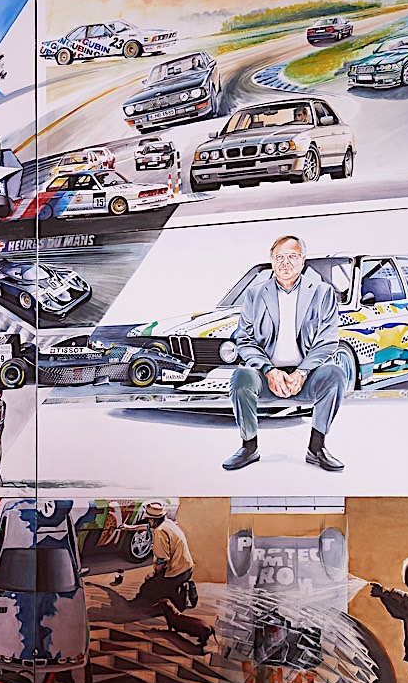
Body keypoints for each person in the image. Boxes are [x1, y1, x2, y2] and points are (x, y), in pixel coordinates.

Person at [222, 234, 348, 472]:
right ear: (271, 260)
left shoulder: (322, 293)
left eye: (292, 256)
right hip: (265, 376)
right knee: (241, 378)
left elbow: (328, 340)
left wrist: (302, 372)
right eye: (279, 257)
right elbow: (245, 339)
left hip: (307, 376)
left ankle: (316, 448)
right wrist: (269, 371)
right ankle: (249, 447)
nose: (285, 263)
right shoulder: (255, 294)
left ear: (303, 260)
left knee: (335, 374)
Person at [130, 500, 209, 649]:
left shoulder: (160, 533)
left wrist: (154, 575)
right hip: (187, 568)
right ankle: (181, 594)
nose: (148, 522)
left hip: (176, 572)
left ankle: (138, 608)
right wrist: (131, 528)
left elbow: (162, 560)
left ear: (152, 520)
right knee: (163, 587)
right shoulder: (168, 523)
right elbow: (149, 528)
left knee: (149, 587)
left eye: (148, 519)